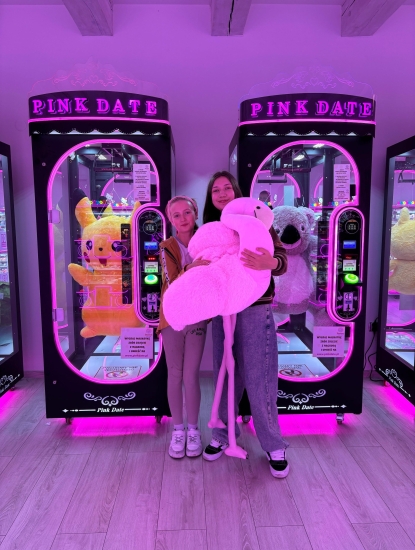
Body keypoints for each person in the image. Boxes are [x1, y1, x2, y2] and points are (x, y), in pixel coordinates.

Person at [200, 171, 290, 478]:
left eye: (227, 188)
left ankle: (273, 444)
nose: (222, 193)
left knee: (260, 377)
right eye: (216, 190)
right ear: (211, 198)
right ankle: (222, 435)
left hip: (255, 308)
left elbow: (281, 258)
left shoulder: (257, 218)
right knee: (224, 375)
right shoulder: (210, 227)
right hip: (223, 310)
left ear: (236, 191)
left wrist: (270, 263)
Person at [158, 196, 208, 459]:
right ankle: (178, 430)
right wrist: (191, 267)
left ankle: (193, 430)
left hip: (197, 316)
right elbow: (171, 281)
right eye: (176, 215)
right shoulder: (166, 246)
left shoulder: (207, 240)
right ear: (170, 220)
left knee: (191, 375)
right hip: (172, 317)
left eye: (186, 212)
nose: (182, 218)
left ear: (195, 213)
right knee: (175, 374)